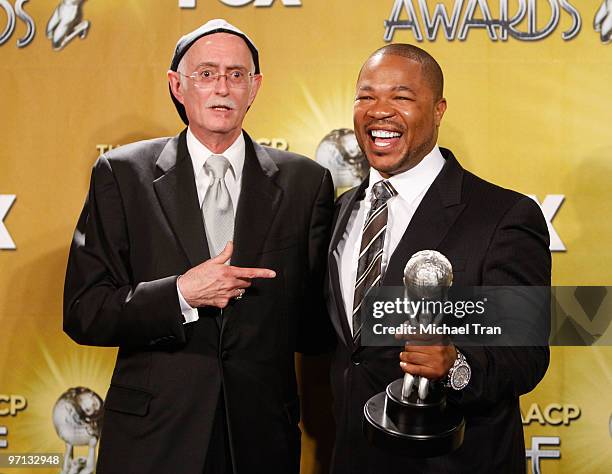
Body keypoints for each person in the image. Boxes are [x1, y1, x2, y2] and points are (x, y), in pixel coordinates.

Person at [63, 19, 334, 474]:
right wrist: (181, 295)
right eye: (206, 74)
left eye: (236, 75)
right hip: (153, 438)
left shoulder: (306, 182)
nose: (222, 88)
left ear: (255, 87)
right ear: (177, 86)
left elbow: (314, 328)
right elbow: (85, 311)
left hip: (261, 437)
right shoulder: (122, 174)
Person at [325, 44, 551, 473]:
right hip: (353, 457)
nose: (379, 111)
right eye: (366, 96)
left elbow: (526, 356)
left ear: (439, 109)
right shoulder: (339, 212)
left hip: (455, 461)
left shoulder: (502, 215)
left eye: (402, 97)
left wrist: (456, 365)